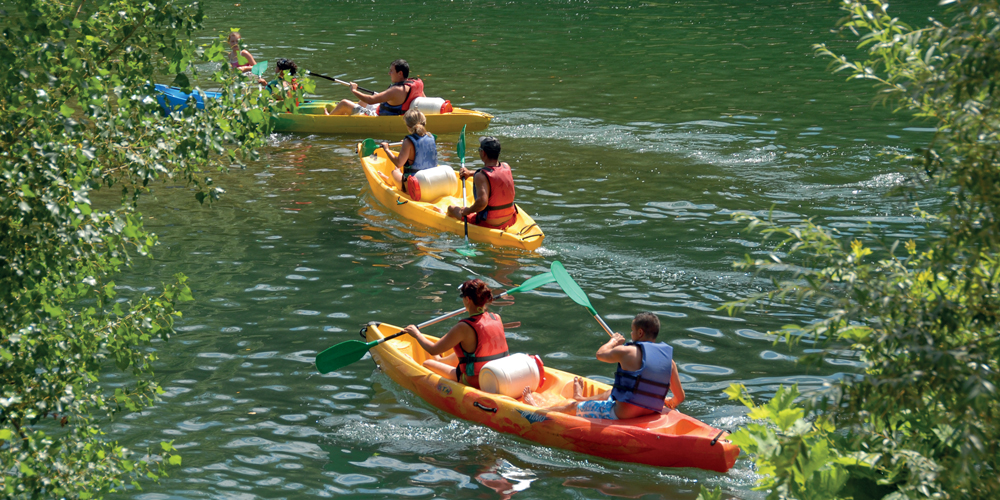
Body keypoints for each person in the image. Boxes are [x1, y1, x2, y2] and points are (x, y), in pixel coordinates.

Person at [522, 312, 684, 420]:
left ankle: (538, 410)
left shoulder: (627, 352)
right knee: (612, 391)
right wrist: (670, 402)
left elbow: (600, 354)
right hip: (650, 412)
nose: (631, 335)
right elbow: (680, 397)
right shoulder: (669, 362)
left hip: (621, 414)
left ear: (640, 333)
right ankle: (582, 397)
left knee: (573, 406)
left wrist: (613, 341)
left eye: (632, 331)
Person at [404, 279, 509, 389]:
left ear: (468, 299)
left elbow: (433, 350)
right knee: (461, 353)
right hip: (498, 374)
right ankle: (439, 361)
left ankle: (415, 365)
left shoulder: (463, 327)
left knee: (427, 363)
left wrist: (416, 334)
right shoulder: (496, 317)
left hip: (476, 381)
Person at [446, 136, 517, 230]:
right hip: (510, 218)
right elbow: (494, 173)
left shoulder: (481, 176)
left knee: (451, 209)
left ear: (483, 153)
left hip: (490, 223)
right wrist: (470, 173)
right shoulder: (506, 166)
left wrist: (468, 210)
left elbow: (482, 203)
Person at [325, 59, 425, 116]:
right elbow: (423, 99)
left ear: (400, 73)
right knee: (363, 100)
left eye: (391, 71)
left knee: (344, 103)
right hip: (395, 112)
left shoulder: (396, 90)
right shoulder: (417, 83)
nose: (389, 73)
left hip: (379, 116)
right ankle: (353, 116)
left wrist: (354, 90)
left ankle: (328, 120)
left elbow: (371, 100)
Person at [378, 109, 437, 193]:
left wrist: (387, 149)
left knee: (395, 171)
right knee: (400, 169)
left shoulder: (408, 141)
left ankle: (388, 179)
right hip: (433, 182)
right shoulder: (431, 137)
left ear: (408, 126)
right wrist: (406, 145)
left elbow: (399, 163)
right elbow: (421, 149)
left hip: (415, 188)